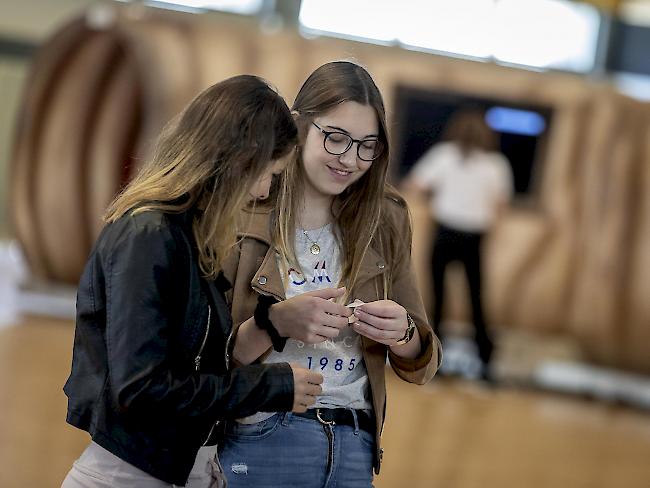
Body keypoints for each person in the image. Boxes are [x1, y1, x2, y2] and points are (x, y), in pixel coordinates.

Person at [62, 75, 325, 488]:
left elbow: (194, 363)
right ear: (238, 160)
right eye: (268, 174)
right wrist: (265, 386)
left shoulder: (189, 237)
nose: (263, 191)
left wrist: (270, 324)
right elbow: (141, 389)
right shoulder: (149, 234)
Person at [217, 61, 441, 487]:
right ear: (299, 126)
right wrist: (276, 322)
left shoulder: (386, 217)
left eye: (366, 146)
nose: (350, 160)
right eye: (336, 139)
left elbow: (424, 359)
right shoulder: (247, 206)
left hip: (355, 443)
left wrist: (404, 332)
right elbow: (206, 352)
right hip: (259, 432)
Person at [403, 109, 513, 380]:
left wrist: (437, 198)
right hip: (474, 237)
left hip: (445, 232)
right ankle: (486, 365)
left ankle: (434, 362)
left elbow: (414, 185)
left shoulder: (444, 155)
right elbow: (500, 206)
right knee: (476, 300)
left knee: (437, 299)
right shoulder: (496, 164)